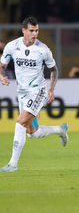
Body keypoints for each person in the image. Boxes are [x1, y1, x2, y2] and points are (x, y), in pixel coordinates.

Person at [0, 17, 69, 172]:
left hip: (37, 92)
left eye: (36, 30)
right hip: (22, 93)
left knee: (20, 123)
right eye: (31, 30)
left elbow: (54, 70)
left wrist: (51, 89)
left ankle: (13, 164)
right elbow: (2, 65)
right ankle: (60, 130)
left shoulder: (43, 49)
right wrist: (1, 76)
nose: (34, 33)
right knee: (32, 132)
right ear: (23, 30)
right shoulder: (12, 46)